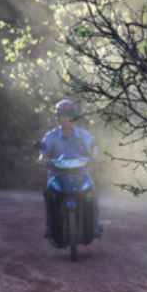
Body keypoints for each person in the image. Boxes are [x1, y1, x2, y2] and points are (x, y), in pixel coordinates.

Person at [39, 99, 101, 240]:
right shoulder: (51, 136)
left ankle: (95, 225)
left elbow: (94, 146)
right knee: (49, 194)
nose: (66, 119)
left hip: (81, 174)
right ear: (58, 117)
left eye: (69, 115)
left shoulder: (84, 135)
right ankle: (50, 226)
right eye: (62, 115)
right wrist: (42, 158)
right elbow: (43, 151)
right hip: (57, 175)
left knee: (92, 192)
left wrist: (96, 156)